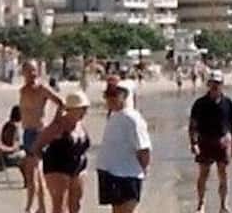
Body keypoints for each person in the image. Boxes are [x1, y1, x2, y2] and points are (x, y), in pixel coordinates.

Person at [96, 81, 150, 213]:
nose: (109, 99)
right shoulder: (115, 116)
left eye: (114, 95)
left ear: (125, 96)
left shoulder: (133, 118)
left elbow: (144, 149)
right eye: (107, 95)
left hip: (127, 174)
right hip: (111, 173)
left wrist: (143, 170)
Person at [17, 61, 64, 213]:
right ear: (23, 72)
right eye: (29, 70)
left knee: (36, 171)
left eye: (34, 70)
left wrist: (55, 122)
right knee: (32, 173)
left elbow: (60, 102)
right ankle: (34, 206)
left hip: (38, 132)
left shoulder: (42, 89)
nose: (32, 73)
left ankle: (37, 207)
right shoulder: (23, 90)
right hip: (27, 132)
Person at [188, 71, 232, 213]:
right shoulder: (200, 103)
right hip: (205, 142)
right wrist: (193, 143)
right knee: (204, 174)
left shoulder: (228, 102)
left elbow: (231, 124)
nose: (215, 86)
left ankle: (223, 205)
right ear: (208, 84)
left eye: (218, 83)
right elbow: (192, 125)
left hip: (222, 142)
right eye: (213, 83)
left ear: (222, 84)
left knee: (224, 175)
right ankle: (201, 204)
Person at [35, 93, 92, 213]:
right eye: (81, 109)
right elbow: (37, 147)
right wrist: (47, 162)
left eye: (85, 109)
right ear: (71, 109)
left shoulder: (80, 125)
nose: (84, 112)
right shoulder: (57, 126)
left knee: (76, 205)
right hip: (58, 168)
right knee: (59, 206)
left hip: (78, 168)